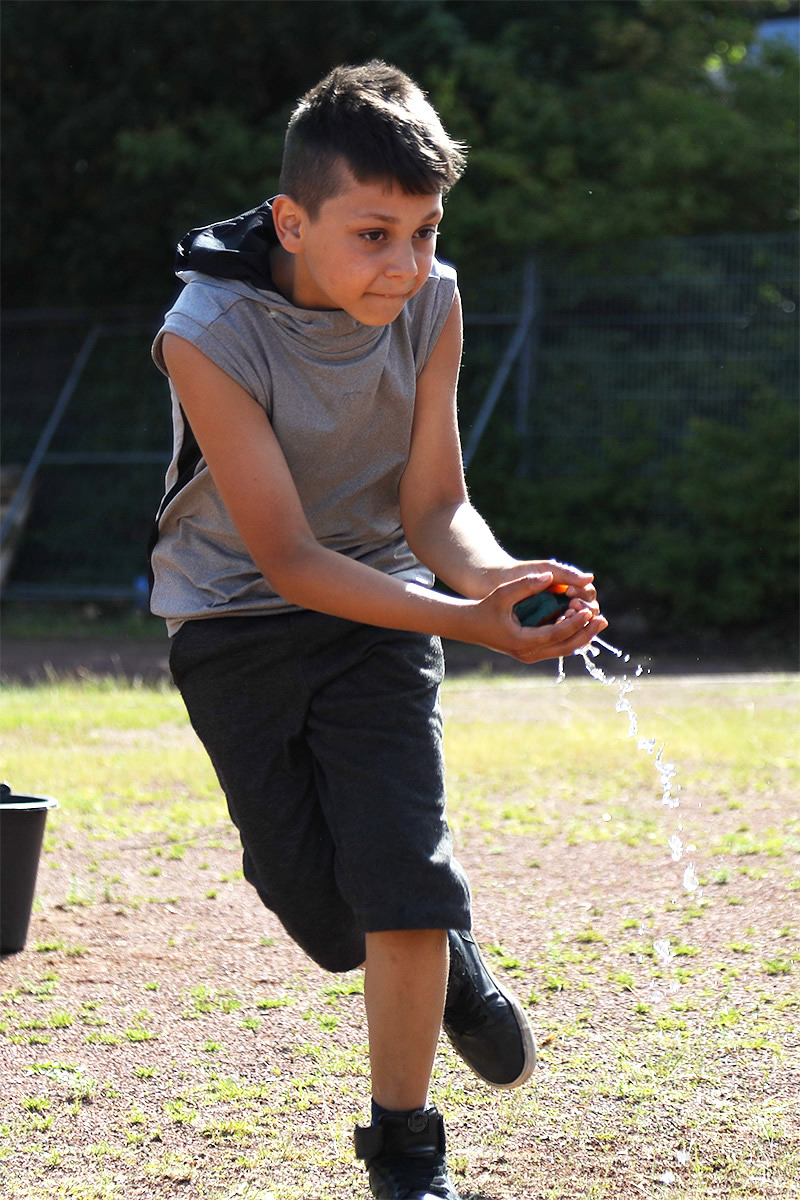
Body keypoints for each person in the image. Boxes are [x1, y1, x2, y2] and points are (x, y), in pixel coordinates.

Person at [149, 60, 607, 1200]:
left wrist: (500, 585)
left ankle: (406, 1149)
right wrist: (471, 622)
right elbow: (288, 559)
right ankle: (449, 965)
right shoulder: (206, 331)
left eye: (424, 230)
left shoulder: (431, 301)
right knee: (326, 918)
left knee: (402, 878)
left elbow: (434, 506)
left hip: (380, 616)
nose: (404, 264)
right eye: (373, 235)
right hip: (233, 620)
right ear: (293, 222)